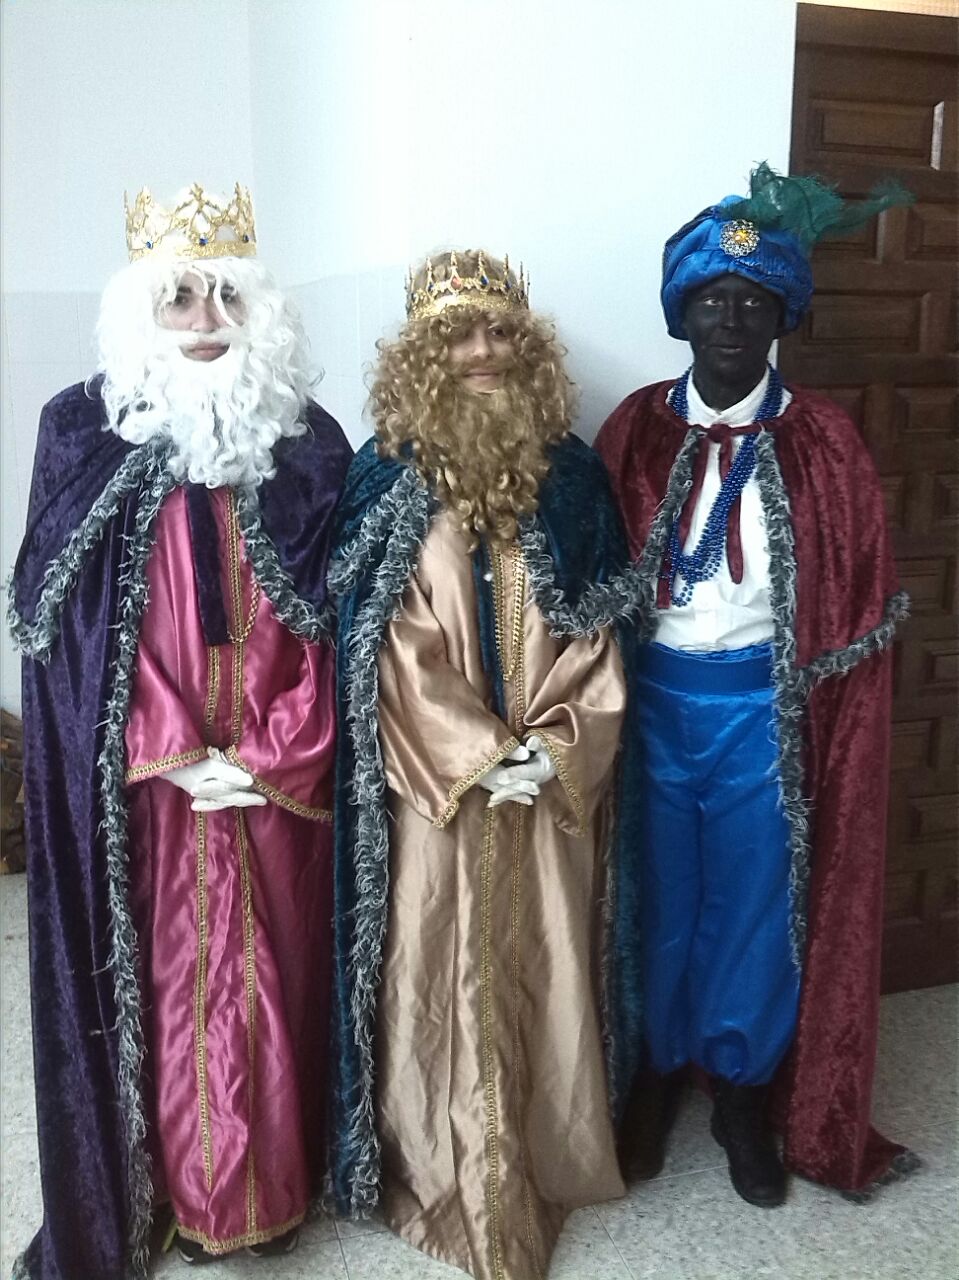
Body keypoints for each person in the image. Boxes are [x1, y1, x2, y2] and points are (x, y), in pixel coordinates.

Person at [8, 182, 352, 1277]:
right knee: (156, 985)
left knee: (277, 975)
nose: (206, 320)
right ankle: (162, 1184)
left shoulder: (309, 441)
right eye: (180, 298)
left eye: (227, 296)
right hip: (147, 779)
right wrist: (168, 745)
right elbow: (66, 625)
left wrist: (272, 749)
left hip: (276, 769)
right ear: (138, 312)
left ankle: (269, 1187)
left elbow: (339, 621)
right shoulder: (79, 430)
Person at [595, 163, 919, 1208]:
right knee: (654, 895)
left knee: (751, 900)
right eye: (711, 300)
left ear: (782, 314)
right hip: (649, 706)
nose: (730, 320)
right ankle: (653, 1072)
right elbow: (587, 571)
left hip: (763, 714)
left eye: (752, 301)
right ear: (680, 314)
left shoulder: (822, 439)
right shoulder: (635, 429)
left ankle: (739, 1090)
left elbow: (854, 600)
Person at [327, 251, 635, 1279]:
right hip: (438, 788)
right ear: (422, 356)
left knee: (549, 956)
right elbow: (384, 644)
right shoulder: (383, 473)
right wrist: (474, 752)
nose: (482, 352)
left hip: (550, 783)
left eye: (501, 331)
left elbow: (599, 634)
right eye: (457, 335)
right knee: (430, 960)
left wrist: (554, 745)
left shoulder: (575, 477)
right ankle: (434, 1160)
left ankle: (544, 1154)